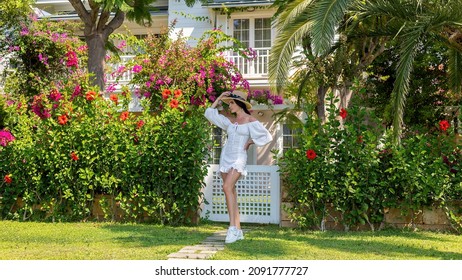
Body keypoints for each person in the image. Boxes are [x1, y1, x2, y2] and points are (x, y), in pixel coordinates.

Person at [204, 90, 273, 243]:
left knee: (227, 187)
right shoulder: (229, 120)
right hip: (225, 157)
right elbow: (209, 113)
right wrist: (220, 97)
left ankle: (232, 229)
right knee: (231, 192)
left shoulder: (249, 120)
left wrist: (250, 142)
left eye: (232, 103)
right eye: (229, 103)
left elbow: (266, 136)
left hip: (239, 158)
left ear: (240, 104)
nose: (230, 106)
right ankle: (239, 230)